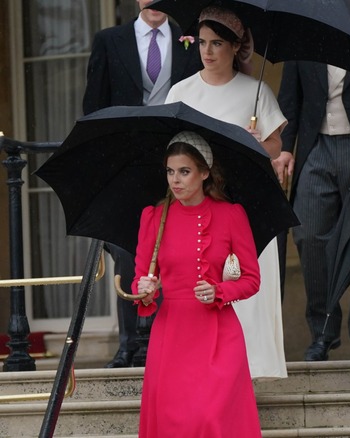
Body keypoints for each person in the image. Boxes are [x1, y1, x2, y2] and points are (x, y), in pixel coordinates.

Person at [165, 5, 288, 380]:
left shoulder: (256, 92)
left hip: (242, 204)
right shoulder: (180, 92)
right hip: (197, 205)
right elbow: (169, 147)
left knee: (242, 281)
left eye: (217, 43)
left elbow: (274, 145)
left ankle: (251, 367)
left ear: (235, 46)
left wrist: (254, 143)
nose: (208, 51)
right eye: (202, 42)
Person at [82, 0, 201, 368]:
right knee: (127, 251)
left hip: (176, 160)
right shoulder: (109, 40)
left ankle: (164, 340)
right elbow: (93, 109)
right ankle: (129, 342)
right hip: (125, 163)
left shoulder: (191, 41)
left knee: (174, 248)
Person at [275, 1, 350, 362]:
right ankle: (322, 331)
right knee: (309, 235)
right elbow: (290, 97)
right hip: (316, 147)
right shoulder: (303, 28)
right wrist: (285, 148)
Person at [134, 131, 262, 437]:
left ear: (205, 173)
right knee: (173, 423)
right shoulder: (154, 217)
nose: (175, 180)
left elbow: (251, 279)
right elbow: (141, 282)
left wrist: (219, 291)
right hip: (172, 334)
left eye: (185, 171)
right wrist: (146, 291)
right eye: (170, 171)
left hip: (219, 333)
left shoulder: (231, 215)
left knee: (210, 418)